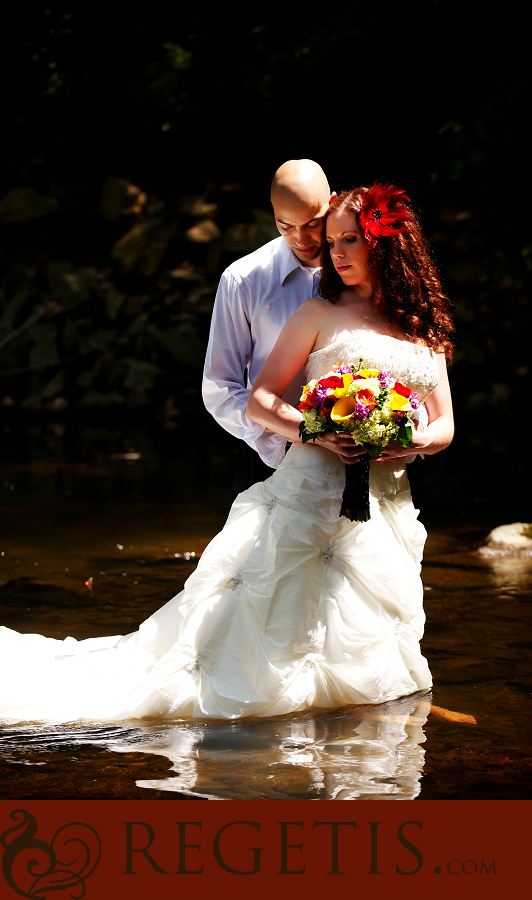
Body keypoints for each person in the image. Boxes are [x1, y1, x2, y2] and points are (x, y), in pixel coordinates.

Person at [0, 182, 453, 724]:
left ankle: (369, 708)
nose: (335, 252)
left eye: (349, 240)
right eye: (331, 241)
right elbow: (259, 400)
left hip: (386, 499)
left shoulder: (423, 325)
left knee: (367, 610)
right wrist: (318, 430)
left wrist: (404, 439)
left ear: (387, 244)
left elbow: (445, 425)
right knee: (272, 607)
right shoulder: (316, 312)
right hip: (310, 485)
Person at [202, 159, 359, 504]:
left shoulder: (362, 272)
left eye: (312, 224)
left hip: (360, 462)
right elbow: (219, 388)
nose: (300, 239)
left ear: (333, 204)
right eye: (285, 225)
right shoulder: (243, 280)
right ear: (272, 211)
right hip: (269, 463)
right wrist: (290, 434)